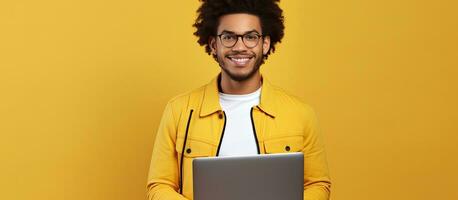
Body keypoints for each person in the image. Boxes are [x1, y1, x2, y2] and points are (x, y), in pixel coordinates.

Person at [146, 0, 331, 199]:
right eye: (229, 37)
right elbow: (159, 185)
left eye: (250, 37)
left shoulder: (300, 114)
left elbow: (317, 184)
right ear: (214, 44)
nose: (240, 47)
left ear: (265, 44)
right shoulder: (179, 111)